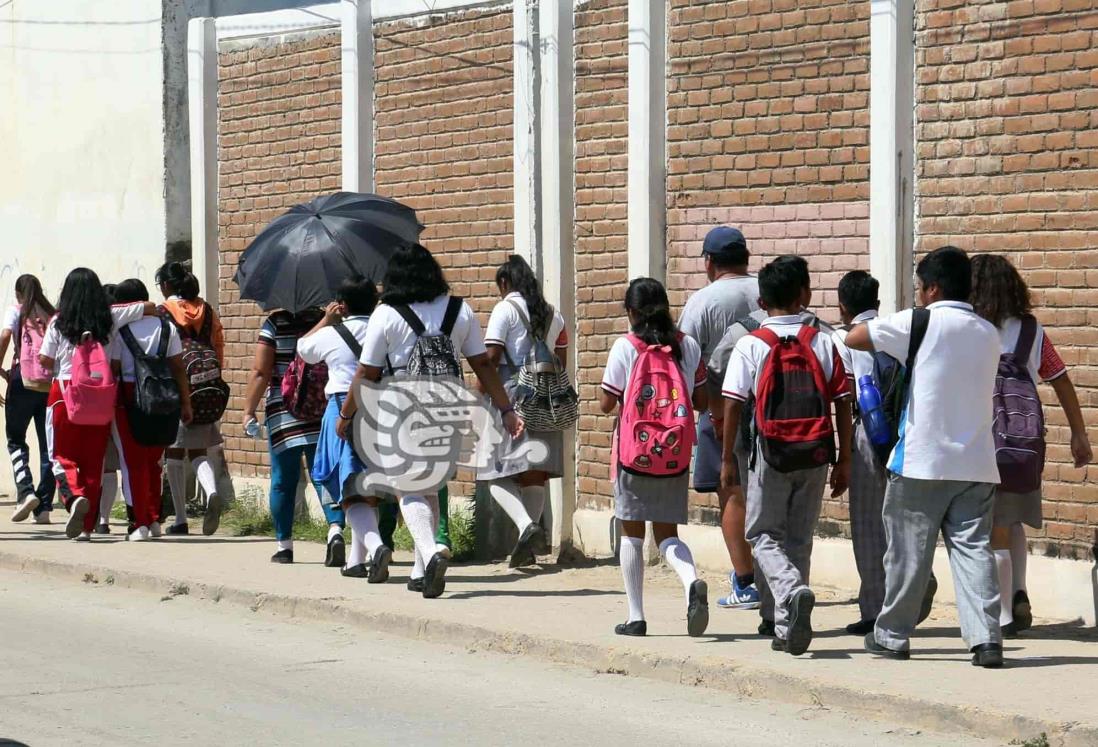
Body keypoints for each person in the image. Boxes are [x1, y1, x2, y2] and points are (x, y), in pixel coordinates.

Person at [845, 246, 1006, 668]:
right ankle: (986, 640)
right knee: (974, 552)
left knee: (908, 553)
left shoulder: (920, 320)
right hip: (976, 464)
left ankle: (892, 635)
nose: (917, 295)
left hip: (921, 461)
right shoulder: (989, 331)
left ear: (933, 288)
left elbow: (854, 337)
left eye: (918, 287)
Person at [338, 243, 523, 599]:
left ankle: (431, 551)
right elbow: (482, 364)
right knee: (431, 483)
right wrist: (506, 410)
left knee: (407, 488)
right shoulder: (460, 310)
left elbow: (367, 370)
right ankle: (422, 571)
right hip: (450, 409)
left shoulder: (387, 313)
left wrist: (347, 413)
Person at [720, 258, 852, 656]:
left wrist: (727, 458)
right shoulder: (824, 341)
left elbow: (732, 404)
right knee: (798, 538)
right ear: (805, 296)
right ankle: (783, 624)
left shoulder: (752, 342)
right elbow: (844, 403)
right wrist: (844, 458)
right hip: (815, 452)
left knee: (762, 535)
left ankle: (791, 594)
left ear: (762, 300)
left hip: (769, 454)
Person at [969, 254, 1092, 636]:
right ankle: (1019, 591)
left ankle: (1003, 615)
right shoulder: (1032, 331)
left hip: (984, 437)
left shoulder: (971, 328)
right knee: (1014, 518)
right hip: (1024, 442)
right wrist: (1079, 433)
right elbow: (1060, 378)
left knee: (995, 525)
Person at [600, 277, 710, 638]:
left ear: (631, 312)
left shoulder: (626, 346)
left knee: (631, 532)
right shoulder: (687, 346)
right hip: (674, 454)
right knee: (667, 534)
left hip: (634, 454)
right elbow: (702, 401)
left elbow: (605, 403)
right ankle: (690, 579)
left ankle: (636, 616)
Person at [677, 227, 761, 610]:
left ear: (709, 262)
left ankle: (747, 582)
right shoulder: (768, 289)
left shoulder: (702, 302)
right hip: (773, 408)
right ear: (746, 256)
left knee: (730, 492)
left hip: (721, 409)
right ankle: (776, 575)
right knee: (765, 492)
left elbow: (686, 361)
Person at [39, 268, 151, 540]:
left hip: (64, 396)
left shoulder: (58, 322)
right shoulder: (109, 317)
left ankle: (73, 497)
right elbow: (148, 306)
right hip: (101, 399)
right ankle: (86, 528)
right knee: (94, 464)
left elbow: (44, 359)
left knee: (60, 457)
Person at [480, 255, 569, 567]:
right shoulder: (554, 314)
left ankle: (525, 526)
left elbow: (490, 356)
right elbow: (562, 358)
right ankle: (527, 547)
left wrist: (481, 391)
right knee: (535, 473)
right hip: (548, 397)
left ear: (505, 283)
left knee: (492, 472)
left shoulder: (505, 309)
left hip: (511, 393)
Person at [298, 277, 389, 579]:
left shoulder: (333, 333)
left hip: (343, 409)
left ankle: (375, 547)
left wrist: (325, 318)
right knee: (367, 489)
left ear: (343, 305)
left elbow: (304, 349)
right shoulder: (384, 329)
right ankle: (355, 560)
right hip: (381, 408)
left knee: (348, 491)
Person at [242, 305, 346, 566]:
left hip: (282, 408)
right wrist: (327, 320)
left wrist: (248, 410)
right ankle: (335, 530)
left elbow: (261, 371)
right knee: (323, 475)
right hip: (319, 407)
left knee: (282, 480)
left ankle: (284, 546)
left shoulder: (275, 323)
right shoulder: (328, 319)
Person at [109, 279, 192, 541]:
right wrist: (186, 402)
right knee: (154, 461)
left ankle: (139, 524)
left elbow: (114, 369)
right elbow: (179, 367)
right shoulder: (167, 327)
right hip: (166, 398)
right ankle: (154, 519)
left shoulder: (119, 331)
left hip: (129, 399)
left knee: (133, 463)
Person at [831, 271, 890, 635]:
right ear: (877, 304)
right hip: (901, 430)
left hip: (867, 432)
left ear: (842, 307)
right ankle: (911, 582)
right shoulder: (892, 331)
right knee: (895, 518)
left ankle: (874, 611)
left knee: (867, 525)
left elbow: (845, 393)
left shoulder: (844, 340)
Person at [156, 262, 230, 536]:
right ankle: (211, 491)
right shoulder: (207, 310)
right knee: (199, 450)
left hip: (177, 387)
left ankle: (181, 519)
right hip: (207, 387)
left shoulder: (164, 312)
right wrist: (212, 375)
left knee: (174, 452)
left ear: (166, 285)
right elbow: (218, 343)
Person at [3, 274, 57, 524]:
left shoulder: (16, 310)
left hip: (22, 380)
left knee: (15, 439)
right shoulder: (52, 314)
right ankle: (44, 507)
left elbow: (4, 337)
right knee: (48, 446)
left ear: (18, 293)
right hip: (49, 384)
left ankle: (25, 491)